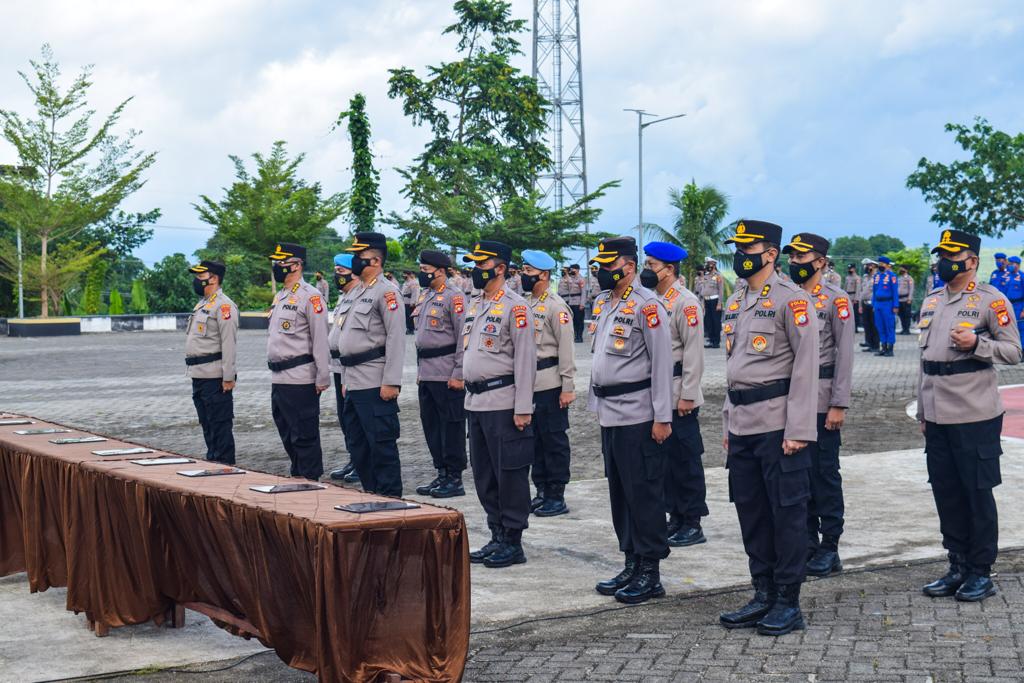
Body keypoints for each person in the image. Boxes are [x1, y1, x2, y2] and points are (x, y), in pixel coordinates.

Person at [718, 220, 818, 637]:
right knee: (752, 512)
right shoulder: (736, 299)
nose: (741, 254)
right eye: (737, 247)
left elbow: (807, 368)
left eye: (748, 247)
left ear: (771, 253)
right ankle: (762, 592)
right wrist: (727, 420)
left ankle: (787, 600)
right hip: (742, 422)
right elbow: (734, 369)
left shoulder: (792, 300)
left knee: (787, 514)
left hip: (778, 425)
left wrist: (798, 428)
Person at [918, 229, 1022, 602]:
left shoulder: (991, 301)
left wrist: (977, 344)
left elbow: (1013, 351)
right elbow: (924, 362)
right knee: (945, 491)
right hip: (937, 411)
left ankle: (980, 570)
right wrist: (922, 410)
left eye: (952, 255)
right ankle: (957, 563)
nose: (945, 261)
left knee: (976, 492)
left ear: (972, 261)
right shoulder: (931, 300)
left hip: (974, 413)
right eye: (942, 254)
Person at [589, 236, 673, 605]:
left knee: (644, 494)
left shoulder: (648, 305)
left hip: (639, 414)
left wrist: (662, 416)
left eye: (608, 266)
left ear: (627, 266)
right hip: (611, 413)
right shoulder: (606, 303)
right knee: (620, 494)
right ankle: (631, 561)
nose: (601, 272)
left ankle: (651, 571)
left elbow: (662, 364)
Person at [462, 240, 537, 568]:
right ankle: (496, 534)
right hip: (476, 401)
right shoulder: (475, 303)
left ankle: (513, 540)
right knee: (485, 474)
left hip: (504, 403)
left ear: (501, 268)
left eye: (482, 264)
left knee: (510, 474)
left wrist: (523, 407)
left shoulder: (516, 307)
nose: (476, 269)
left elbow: (525, 360)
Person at [783, 234, 854, 578]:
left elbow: (845, 355)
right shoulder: (786, 297)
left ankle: (830, 546)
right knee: (799, 474)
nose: (795, 262)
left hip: (823, 397)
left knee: (825, 473)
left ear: (821, 261)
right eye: (792, 257)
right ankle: (807, 542)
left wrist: (839, 403)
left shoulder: (835, 300)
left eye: (801, 257)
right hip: (793, 399)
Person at [642, 241, 708, 547]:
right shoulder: (649, 300)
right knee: (664, 460)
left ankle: (692, 521)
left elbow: (694, 354)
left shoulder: (686, 302)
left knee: (685, 459)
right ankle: (675, 516)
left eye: (652, 265)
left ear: (669, 270)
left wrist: (688, 396)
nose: (647, 270)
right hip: (658, 392)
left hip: (679, 389)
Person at [333, 233, 406, 497]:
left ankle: (391, 503)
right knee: (358, 446)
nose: (353, 261)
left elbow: (396, 338)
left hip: (375, 382)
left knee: (381, 448)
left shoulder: (386, 292)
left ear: (375, 260)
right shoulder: (358, 292)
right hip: (352, 381)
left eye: (358, 257)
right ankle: (372, 497)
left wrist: (392, 381)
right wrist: (344, 379)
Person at [266, 242, 332, 480]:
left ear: (297, 265)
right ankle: (298, 475)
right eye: (276, 263)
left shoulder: (311, 296)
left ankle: (311, 481)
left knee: (304, 435)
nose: (277, 267)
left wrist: (322, 376)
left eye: (281, 263)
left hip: (301, 378)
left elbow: (320, 339)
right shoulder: (280, 295)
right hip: (279, 377)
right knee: (286, 432)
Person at [521, 250, 576, 517]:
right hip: (529, 384)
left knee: (553, 441)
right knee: (534, 442)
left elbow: (566, 349)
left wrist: (567, 386)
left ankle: (556, 494)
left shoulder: (556, 307)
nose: (523, 276)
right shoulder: (524, 304)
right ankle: (541, 490)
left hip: (551, 383)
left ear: (543, 274)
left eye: (528, 272)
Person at [412, 250, 468, 498]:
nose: (422, 274)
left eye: (426, 270)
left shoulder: (454, 297)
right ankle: (442, 473)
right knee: (432, 426)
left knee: (451, 427)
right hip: (427, 373)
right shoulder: (427, 296)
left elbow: (462, 338)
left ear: (441, 271)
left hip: (447, 374)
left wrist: (459, 372)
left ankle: (454, 479)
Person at [186, 260, 239, 464]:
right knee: (207, 423)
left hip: (215, 376)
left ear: (214, 278)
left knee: (220, 424)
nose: (197, 280)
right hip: (199, 374)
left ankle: (225, 464)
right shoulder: (202, 304)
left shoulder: (224, 305)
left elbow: (229, 344)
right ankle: (213, 459)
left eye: (201, 276)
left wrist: (228, 377)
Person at [328, 254, 362, 483]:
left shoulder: (359, 296)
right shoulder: (345, 297)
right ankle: (354, 458)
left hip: (355, 368)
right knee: (345, 417)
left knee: (356, 418)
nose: (336, 275)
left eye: (340, 271)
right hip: (339, 367)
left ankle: (361, 463)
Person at [872, 255, 898, 357]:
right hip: (878, 304)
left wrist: (895, 305)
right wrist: (873, 304)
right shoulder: (876, 276)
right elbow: (874, 291)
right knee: (880, 326)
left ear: (887, 265)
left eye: (882, 264)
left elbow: (895, 292)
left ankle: (890, 349)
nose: (880, 265)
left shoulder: (892, 276)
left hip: (888, 304)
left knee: (889, 326)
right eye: (879, 263)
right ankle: (883, 348)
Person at [697, 257, 724, 348]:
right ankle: (711, 341)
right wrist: (703, 303)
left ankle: (716, 342)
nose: (708, 265)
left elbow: (721, 290)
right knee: (708, 321)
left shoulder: (718, 276)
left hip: (715, 301)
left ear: (714, 264)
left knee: (715, 322)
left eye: (710, 263)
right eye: (707, 263)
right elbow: (703, 290)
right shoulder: (706, 276)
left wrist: (719, 303)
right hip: (707, 301)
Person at [559, 264, 586, 343]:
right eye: (570, 270)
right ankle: (575, 336)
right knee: (573, 320)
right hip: (571, 302)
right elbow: (566, 282)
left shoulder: (581, 279)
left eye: (573, 270)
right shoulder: (570, 279)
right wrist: (567, 273)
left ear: (577, 270)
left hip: (578, 301)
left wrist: (582, 304)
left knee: (579, 320)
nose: (571, 271)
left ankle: (579, 336)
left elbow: (583, 292)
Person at [858, 259, 879, 353]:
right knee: (867, 325)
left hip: (873, 303)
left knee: (874, 325)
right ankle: (869, 343)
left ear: (873, 266)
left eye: (868, 266)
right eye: (866, 266)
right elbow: (862, 292)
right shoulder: (865, 277)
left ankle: (876, 345)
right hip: (864, 302)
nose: (866, 268)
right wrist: (860, 305)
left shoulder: (877, 277)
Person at [1007, 256, 1024, 339]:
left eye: (1011, 264)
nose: (1009, 265)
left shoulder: (1022, 276)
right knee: (1008, 327)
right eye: (1009, 263)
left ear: (1017, 265)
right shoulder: (1007, 276)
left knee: (1020, 328)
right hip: (1008, 305)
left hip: (1019, 306)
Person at [401, 270, 420, 335]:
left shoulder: (413, 283)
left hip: (410, 302)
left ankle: (411, 329)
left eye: (404, 274)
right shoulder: (406, 282)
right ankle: (408, 328)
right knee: (406, 316)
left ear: (408, 275)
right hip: (405, 301)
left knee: (410, 316)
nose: (403, 276)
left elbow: (415, 293)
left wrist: (413, 302)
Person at [898, 266, 915, 335]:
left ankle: (907, 330)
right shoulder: (899, 278)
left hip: (906, 299)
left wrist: (909, 298)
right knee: (901, 315)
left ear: (906, 270)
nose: (900, 270)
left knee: (906, 315)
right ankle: (903, 329)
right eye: (900, 268)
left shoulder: (909, 278)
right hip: (899, 299)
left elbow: (911, 289)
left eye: (902, 268)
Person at [844, 264, 861, 330]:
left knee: (854, 313)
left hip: (853, 296)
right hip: (847, 295)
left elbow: (858, 289)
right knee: (847, 312)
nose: (849, 270)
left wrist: (856, 299)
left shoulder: (857, 278)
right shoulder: (847, 277)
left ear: (854, 269)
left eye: (851, 269)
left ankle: (855, 327)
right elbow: (845, 288)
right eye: (849, 269)